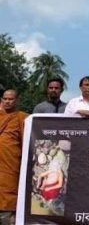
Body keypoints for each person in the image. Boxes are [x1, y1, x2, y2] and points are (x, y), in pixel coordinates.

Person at [0, 90, 27, 225]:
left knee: (8, 194)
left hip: (10, 163)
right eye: (5, 98)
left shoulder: (21, 117)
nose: (7, 101)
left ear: (17, 100)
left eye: (11, 99)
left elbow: (27, 141)